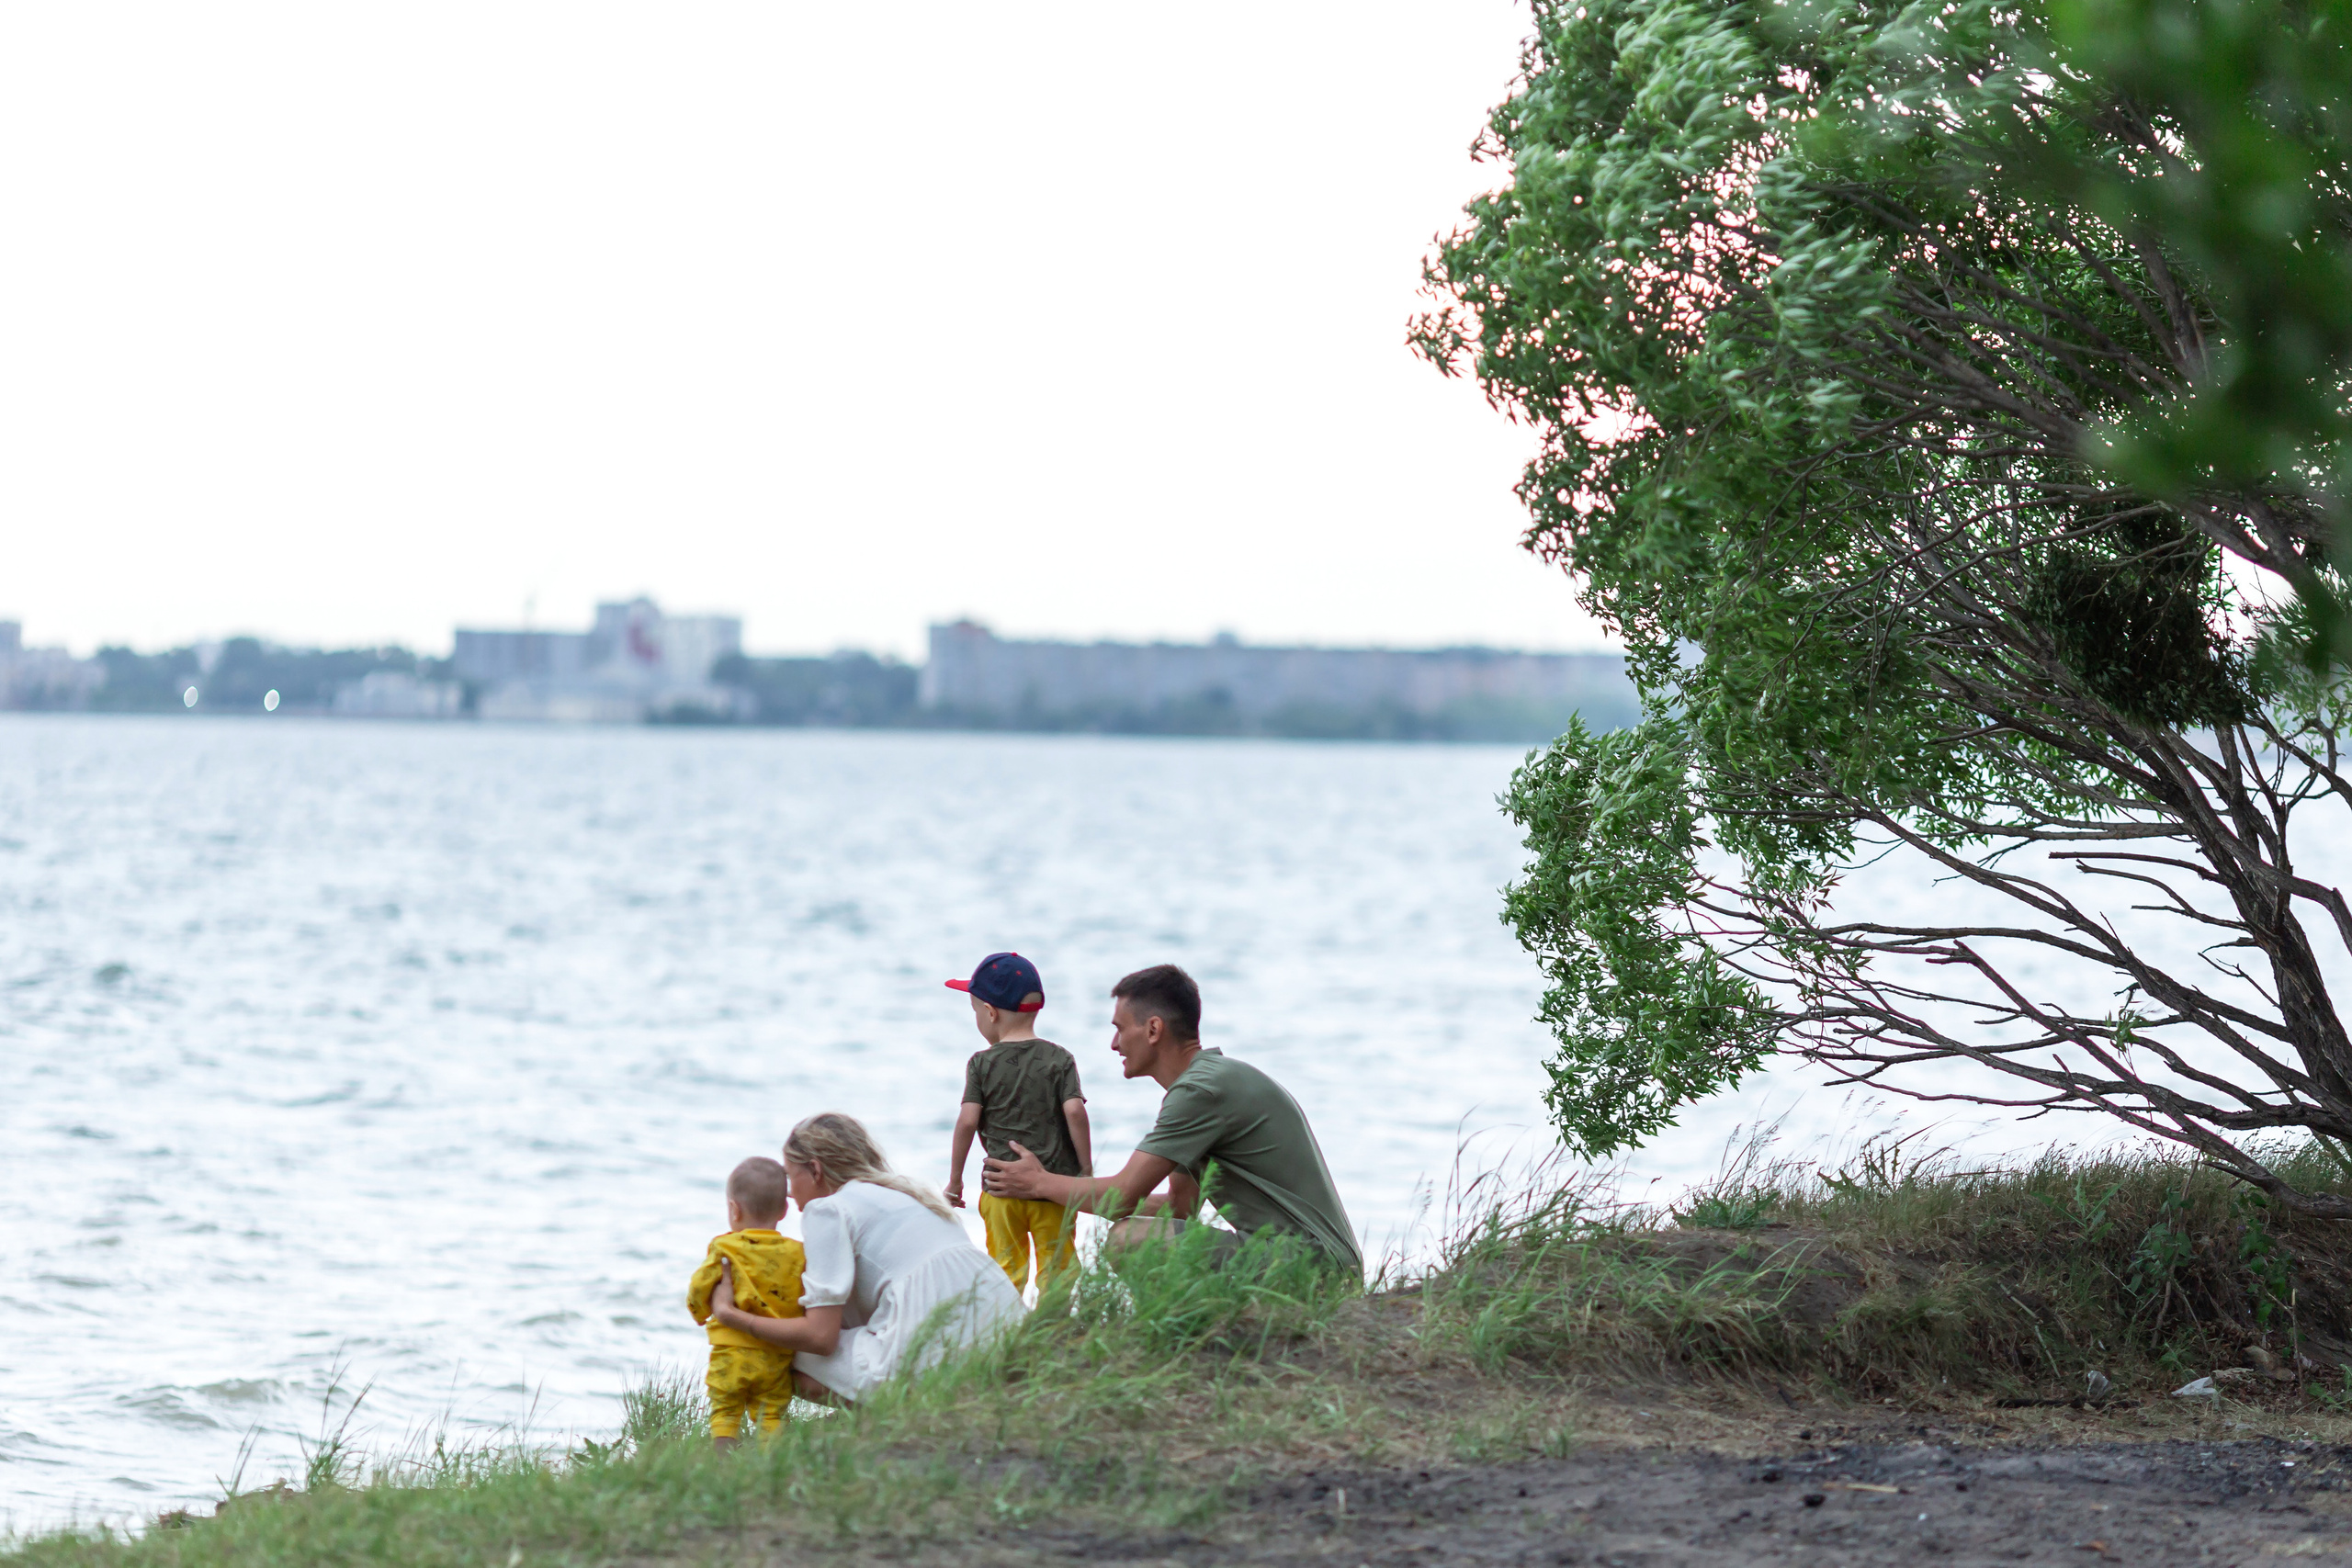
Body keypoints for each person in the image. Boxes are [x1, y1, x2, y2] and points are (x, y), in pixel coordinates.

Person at [982, 964, 1362, 1278]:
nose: (1114, 1044)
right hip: (1317, 1261)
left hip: (1311, 1266)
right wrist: (1068, 1191)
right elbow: (1181, 1207)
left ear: (1153, 1030)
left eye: (1119, 1028)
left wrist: (1040, 1183)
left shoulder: (1199, 1093)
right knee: (1137, 1231)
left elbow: (1124, 1196)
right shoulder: (1208, 1083)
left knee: (1126, 1240)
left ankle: (1179, 1344)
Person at [707, 1112, 1024, 1404]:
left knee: (773, 1351)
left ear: (815, 1170)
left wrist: (733, 1316)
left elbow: (821, 1337)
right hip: (1007, 1336)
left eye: (791, 1177)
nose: (789, 1193)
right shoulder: (912, 1196)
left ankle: (886, 1411)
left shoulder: (828, 1210)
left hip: (936, 1352)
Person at [942, 952, 1091, 1293]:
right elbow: (1075, 1113)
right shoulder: (1060, 1059)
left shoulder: (980, 1064)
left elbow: (967, 1122)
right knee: (1058, 1269)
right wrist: (1085, 1172)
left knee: (1006, 1270)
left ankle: (1005, 1335)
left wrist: (955, 1181)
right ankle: (1051, 1331)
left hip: (1001, 1191)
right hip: (1053, 1189)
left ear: (990, 1013)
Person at [685, 1156, 806, 1446]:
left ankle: (724, 1467)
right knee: (771, 1415)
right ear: (785, 1209)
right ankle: (770, 1468)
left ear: (733, 1209)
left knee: (726, 1411)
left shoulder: (725, 1247)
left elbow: (700, 1287)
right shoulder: (798, 1253)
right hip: (776, 1355)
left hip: (731, 1351)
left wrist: (699, 1312)